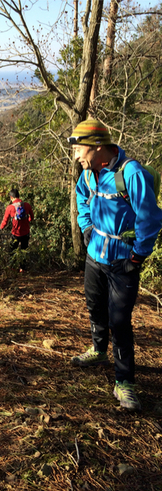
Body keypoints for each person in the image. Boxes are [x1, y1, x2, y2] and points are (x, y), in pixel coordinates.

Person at [68, 118, 162, 411]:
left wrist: (138, 255)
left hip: (123, 262)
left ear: (97, 147)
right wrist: (86, 229)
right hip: (95, 256)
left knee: (119, 322)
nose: (76, 156)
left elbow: (150, 217)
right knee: (94, 306)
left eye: (79, 149)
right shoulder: (89, 174)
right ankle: (98, 350)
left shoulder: (130, 173)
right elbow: (82, 199)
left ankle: (124, 382)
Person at [0, 189, 34, 272]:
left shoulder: (9, 208)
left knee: (12, 251)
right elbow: (32, 217)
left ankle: (12, 267)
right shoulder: (27, 205)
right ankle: (23, 268)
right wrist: (27, 221)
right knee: (24, 251)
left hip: (15, 234)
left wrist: (0, 228)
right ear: (18, 196)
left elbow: (5, 221)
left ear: (11, 197)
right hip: (26, 233)